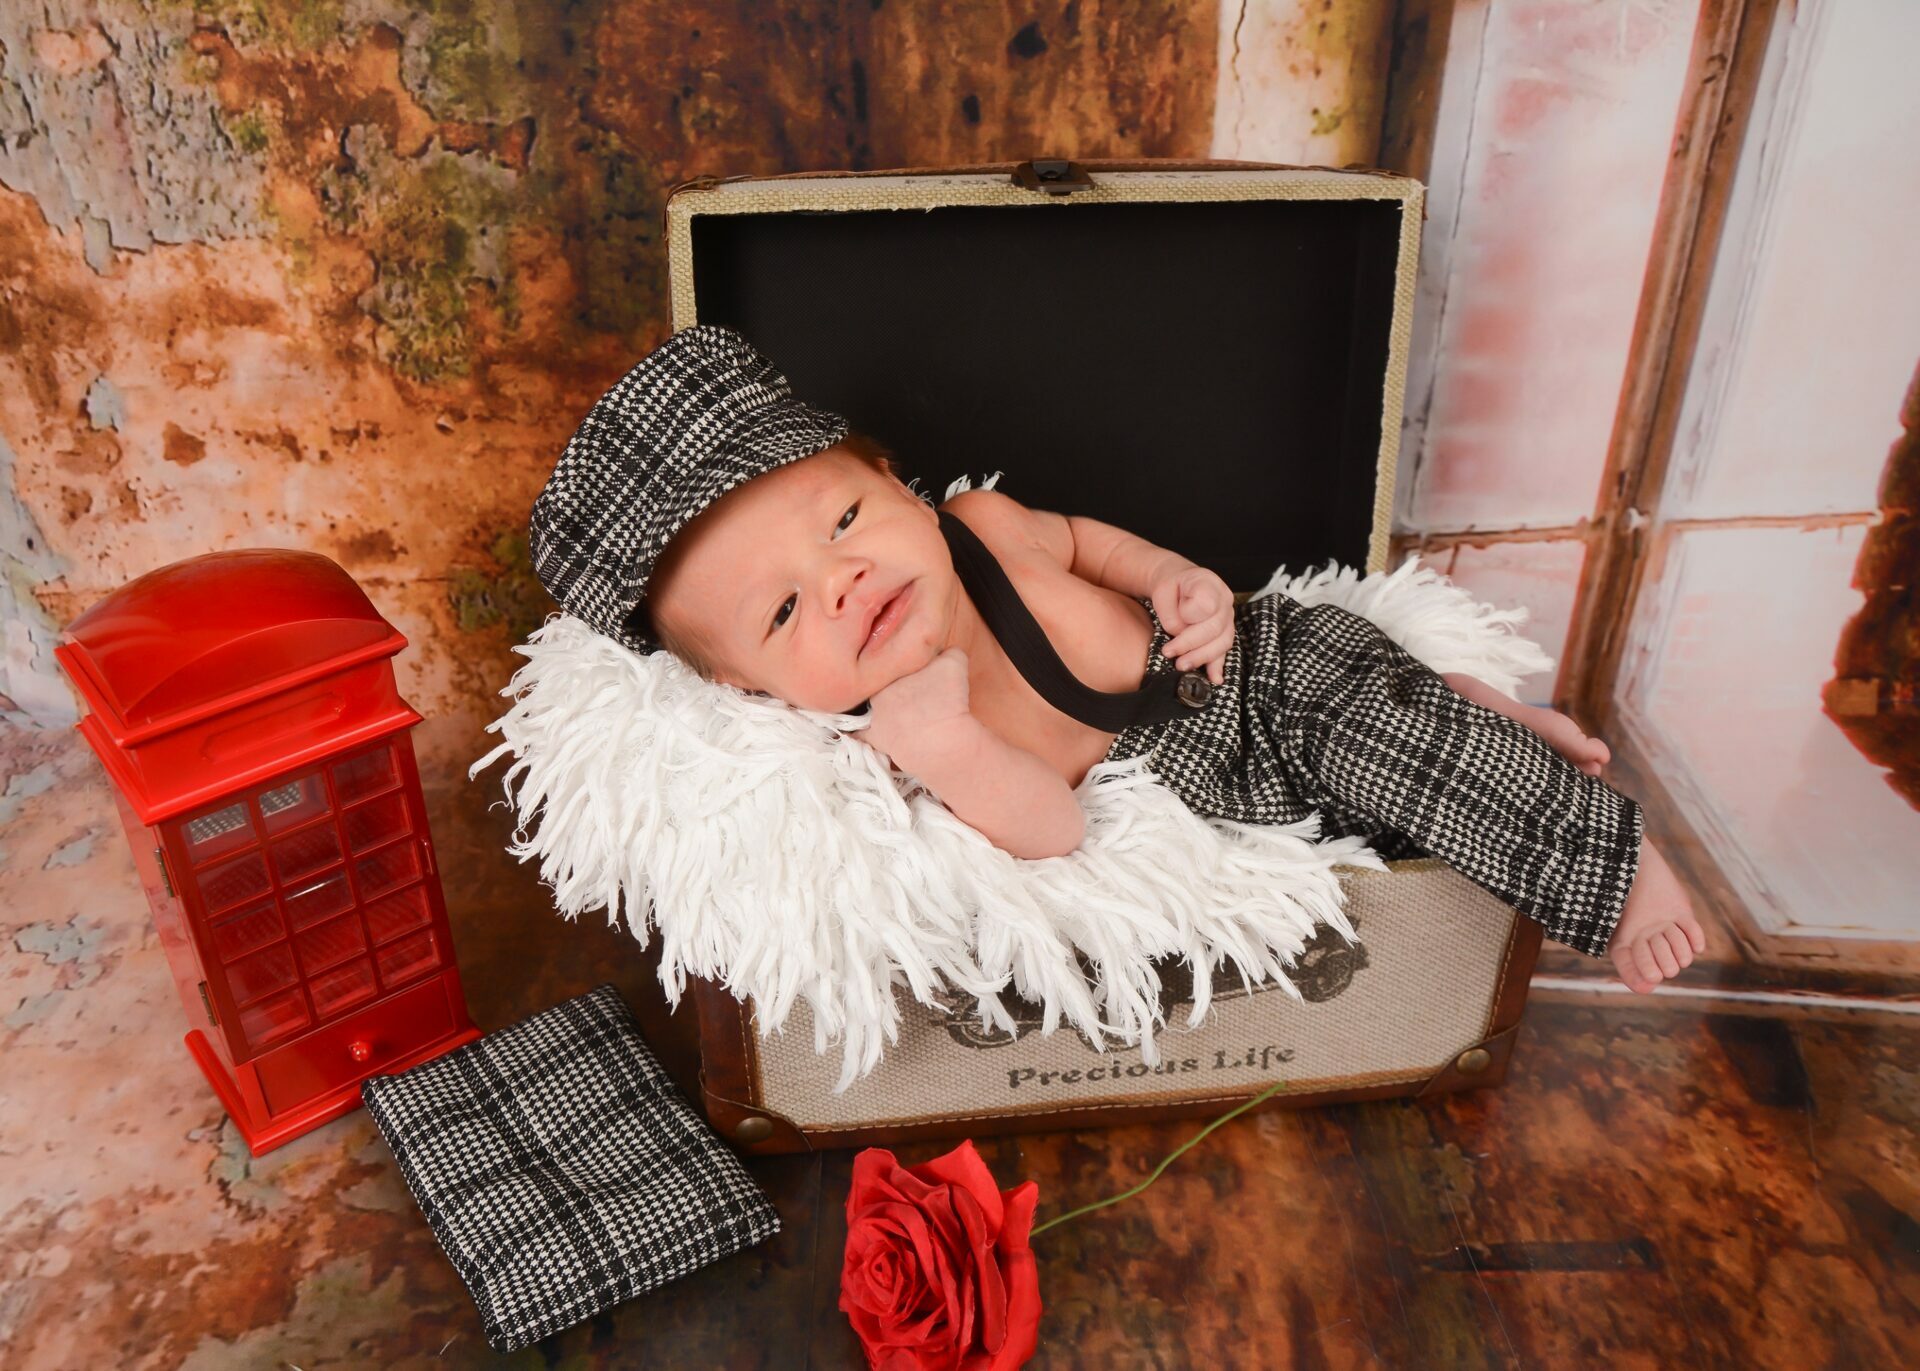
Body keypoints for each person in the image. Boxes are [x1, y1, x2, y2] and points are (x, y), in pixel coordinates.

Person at [529, 325, 1704, 993]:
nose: (840, 580)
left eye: (842, 521)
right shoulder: (893, 739)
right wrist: (950, 750)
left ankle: (1612, 864)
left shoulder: (984, 529)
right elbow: (1054, 830)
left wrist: (1176, 579)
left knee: (1369, 732)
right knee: (1392, 807)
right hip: (1220, 784)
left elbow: (1091, 543)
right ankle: (1483, 723)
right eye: (785, 611)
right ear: (746, 688)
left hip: (1261, 672)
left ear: (894, 482)